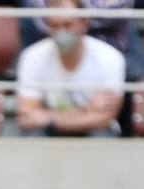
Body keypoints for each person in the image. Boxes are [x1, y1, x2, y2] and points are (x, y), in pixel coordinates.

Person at [16, 0, 126, 136]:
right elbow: (26, 116)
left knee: (101, 134)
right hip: (51, 132)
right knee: (33, 134)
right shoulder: (32, 56)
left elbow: (104, 119)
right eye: (54, 25)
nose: (61, 32)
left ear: (84, 24)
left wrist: (48, 119)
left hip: (91, 131)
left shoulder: (110, 57)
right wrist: (86, 111)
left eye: (68, 25)